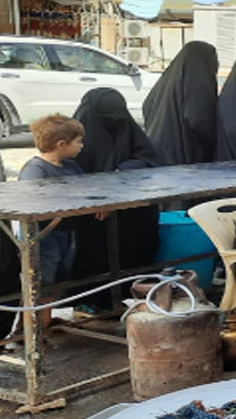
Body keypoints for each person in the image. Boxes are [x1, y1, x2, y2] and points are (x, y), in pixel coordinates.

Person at [71, 88, 163, 296]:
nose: (113, 121)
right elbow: (70, 174)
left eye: (117, 116)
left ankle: (133, 293)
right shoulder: (76, 137)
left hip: (132, 208)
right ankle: (96, 299)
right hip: (95, 212)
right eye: (107, 117)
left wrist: (123, 170)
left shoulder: (128, 130)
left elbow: (150, 159)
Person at [18, 115, 88, 289]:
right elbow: (31, 197)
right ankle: (42, 314)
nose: (81, 146)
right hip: (44, 232)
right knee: (45, 272)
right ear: (61, 144)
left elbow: (86, 189)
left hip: (66, 229)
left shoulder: (71, 166)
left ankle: (54, 311)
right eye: (78, 141)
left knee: (64, 269)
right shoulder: (36, 169)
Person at [143, 39, 219, 165]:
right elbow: (199, 120)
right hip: (183, 155)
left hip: (158, 150)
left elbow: (147, 107)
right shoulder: (200, 83)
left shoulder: (168, 80)